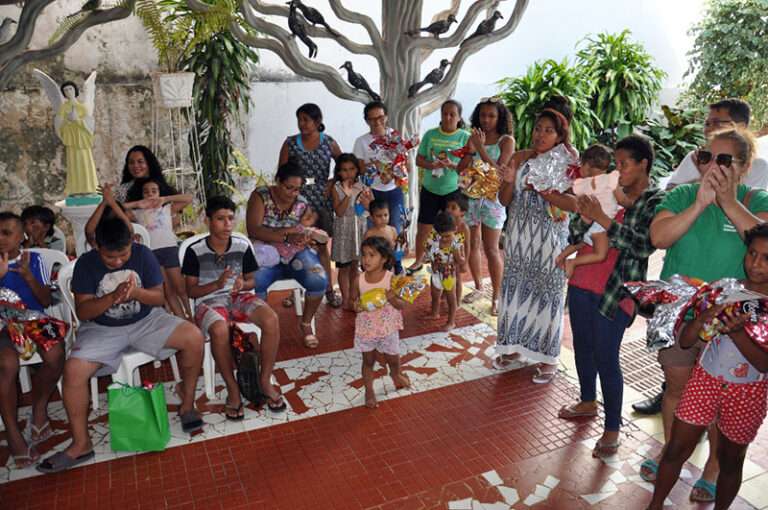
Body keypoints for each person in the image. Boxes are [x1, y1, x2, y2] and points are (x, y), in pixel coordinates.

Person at [644, 128, 768, 501]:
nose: (713, 166)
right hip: (681, 315)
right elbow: (659, 238)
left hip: (733, 322)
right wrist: (700, 203)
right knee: (678, 389)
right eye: (706, 157)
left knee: (723, 398)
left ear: (744, 167)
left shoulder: (757, 200)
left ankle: (712, 470)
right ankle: (673, 452)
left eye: (724, 160)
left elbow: (762, 241)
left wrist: (727, 201)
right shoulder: (684, 193)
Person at [37, 217, 205, 473]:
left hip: (147, 320)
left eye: (123, 256)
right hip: (101, 328)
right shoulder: (85, 264)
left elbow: (159, 297)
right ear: (97, 247)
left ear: (132, 243)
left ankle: (187, 403)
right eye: (109, 259)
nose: (117, 262)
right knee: (73, 371)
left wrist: (136, 293)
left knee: (193, 338)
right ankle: (81, 443)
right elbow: (83, 312)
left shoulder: (143, 255)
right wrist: (112, 297)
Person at [557, 135, 665, 458]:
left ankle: (612, 429)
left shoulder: (653, 201)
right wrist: (585, 216)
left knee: (606, 356)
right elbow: (576, 232)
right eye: (615, 165)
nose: (617, 171)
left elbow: (643, 244)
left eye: (623, 164)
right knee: (582, 347)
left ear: (643, 164)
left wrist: (603, 219)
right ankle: (588, 399)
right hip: (582, 280)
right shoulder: (603, 188)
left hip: (616, 292)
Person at [495, 96, 578, 383]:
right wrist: (508, 178)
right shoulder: (521, 157)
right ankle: (513, 348)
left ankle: (547, 357)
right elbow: (504, 200)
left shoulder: (569, 162)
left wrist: (545, 192)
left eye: (548, 130)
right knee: (515, 293)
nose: (540, 135)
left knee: (548, 297)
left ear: (560, 135)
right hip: (519, 240)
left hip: (550, 243)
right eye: (538, 128)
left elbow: (575, 205)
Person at [182, 196, 286, 417]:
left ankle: (265, 380)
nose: (227, 224)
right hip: (208, 301)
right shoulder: (195, 251)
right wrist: (216, 284)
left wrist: (242, 283)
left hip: (237, 297)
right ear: (207, 220)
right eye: (220, 219)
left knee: (271, 319)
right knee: (219, 329)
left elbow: (253, 281)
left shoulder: (241, 246)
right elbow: (190, 291)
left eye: (230, 218)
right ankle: (233, 389)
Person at [0, 212, 64, 468]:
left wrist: (27, 275)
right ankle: (14, 434)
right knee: (6, 365)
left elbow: (46, 301)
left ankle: (39, 409)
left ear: (21, 236)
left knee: (56, 353)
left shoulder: (34, 258)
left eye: (7, 233)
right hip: (2, 325)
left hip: (32, 317)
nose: (1, 239)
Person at [247, 161, 329, 349]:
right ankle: (262, 328)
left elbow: (303, 230)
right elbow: (253, 230)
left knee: (318, 279)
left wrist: (304, 238)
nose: (293, 193)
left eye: (297, 189)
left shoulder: (302, 203)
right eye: (288, 187)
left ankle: (306, 323)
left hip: (293, 254)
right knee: (255, 282)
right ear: (277, 181)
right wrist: (285, 237)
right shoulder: (261, 196)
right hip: (264, 252)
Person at [278, 103, 343, 308]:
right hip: (297, 201)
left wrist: (332, 181)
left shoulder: (329, 142)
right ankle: (296, 290)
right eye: (299, 119)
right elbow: (281, 173)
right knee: (297, 247)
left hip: (321, 201)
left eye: (306, 119)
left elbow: (344, 167)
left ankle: (329, 290)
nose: (302, 124)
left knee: (322, 246)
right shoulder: (290, 143)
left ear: (317, 121)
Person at [457, 97, 515, 315]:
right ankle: (479, 287)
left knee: (491, 249)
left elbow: (499, 170)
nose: (487, 120)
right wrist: (471, 150)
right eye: (483, 115)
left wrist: (480, 147)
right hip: (471, 198)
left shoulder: (506, 141)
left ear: (500, 117)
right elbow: (460, 168)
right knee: (472, 244)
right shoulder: (474, 137)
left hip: (493, 201)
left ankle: (497, 296)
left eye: (492, 115)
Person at [407, 100, 470, 274]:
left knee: (454, 228)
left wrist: (452, 165)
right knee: (424, 227)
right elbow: (419, 159)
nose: (448, 117)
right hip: (430, 189)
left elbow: (469, 164)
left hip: (453, 191)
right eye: (445, 114)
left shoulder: (465, 137)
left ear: (458, 117)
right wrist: (431, 165)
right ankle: (418, 260)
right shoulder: (430, 135)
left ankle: (455, 260)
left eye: (452, 114)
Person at [352, 236, 409, 408]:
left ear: (384, 258)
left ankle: (396, 373)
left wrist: (392, 298)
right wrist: (356, 305)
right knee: (368, 361)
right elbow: (353, 301)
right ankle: (369, 390)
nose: (366, 259)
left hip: (387, 328)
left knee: (393, 358)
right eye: (364, 255)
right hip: (367, 328)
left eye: (371, 255)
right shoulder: (359, 280)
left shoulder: (391, 279)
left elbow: (402, 304)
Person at [124, 178, 193, 319]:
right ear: (142, 195)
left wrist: (165, 199)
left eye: (154, 191)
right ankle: (182, 320)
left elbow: (189, 198)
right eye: (146, 192)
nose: (150, 195)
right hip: (152, 253)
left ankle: (191, 316)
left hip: (169, 251)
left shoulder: (167, 208)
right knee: (168, 292)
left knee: (181, 288)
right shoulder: (138, 213)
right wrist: (138, 204)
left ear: (159, 193)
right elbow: (117, 209)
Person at [665, 98, 768, 190]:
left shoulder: (757, 166)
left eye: (717, 122)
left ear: (741, 127)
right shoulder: (696, 158)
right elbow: (667, 194)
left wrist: (708, 177)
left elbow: (747, 207)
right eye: (707, 124)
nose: (709, 129)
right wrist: (702, 180)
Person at [555, 144, 615, 278]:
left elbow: (570, 190)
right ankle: (573, 262)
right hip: (601, 224)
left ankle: (562, 256)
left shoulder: (586, 183)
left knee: (582, 240)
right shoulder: (606, 180)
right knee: (600, 254)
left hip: (592, 223)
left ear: (586, 166)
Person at [353, 101, 409, 233]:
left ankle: (394, 254)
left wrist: (394, 168)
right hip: (373, 192)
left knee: (396, 229)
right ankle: (375, 254)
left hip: (394, 190)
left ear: (386, 117)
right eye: (372, 119)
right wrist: (375, 165)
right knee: (374, 230)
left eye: (380, 117)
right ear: (366, 121)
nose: (377, 122)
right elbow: (359, 169)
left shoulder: (395, 137)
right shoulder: (361, 141)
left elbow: (407, 164)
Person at [331, 153, 370, 311]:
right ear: (339, 172)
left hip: (360, 228)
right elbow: (339, 212)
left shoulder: (363, 186)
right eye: (344, 170)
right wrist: (347, 195)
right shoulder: (336, 188)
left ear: (357, 170)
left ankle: (355, 298)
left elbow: (370, 207)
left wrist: (368, 202)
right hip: (344, 230)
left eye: (352, 169)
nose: (348, 173)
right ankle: (346, 299)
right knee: (344, 266)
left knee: (356, 265)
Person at [425, 211, 466, 331]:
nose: (445, 239)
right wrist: (432, 263)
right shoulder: (433, 241)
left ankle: (451, 321)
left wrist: (458, 254)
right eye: (442, 236)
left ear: (455, 230)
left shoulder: (456, 244)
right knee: (435, 294)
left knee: (450, 297)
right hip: (436, 272)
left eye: (448, 236)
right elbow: (429, 253)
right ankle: (434, 313)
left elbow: (461, 261)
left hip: (449, 274)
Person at [84, 183, 134, 250]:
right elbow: (89, 231)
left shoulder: (126, 240)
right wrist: (107, 202)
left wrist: (109, 202)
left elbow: (130, 229)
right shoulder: (101, 242)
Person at [444, 192, 470, 304]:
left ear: (462, 212)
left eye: (453, 207)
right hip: (446, 257)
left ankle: (457, 302)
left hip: (457, 259)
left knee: (458, 279)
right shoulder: (445, 223)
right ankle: (446, 296)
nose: (449, 210)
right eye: (448, 207)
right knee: (445, 277)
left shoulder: (464, 227)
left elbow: (468, 246)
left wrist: (465, 262)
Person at [364, 199, 398, 266]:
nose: (383, 218)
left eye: (386, 215)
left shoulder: (392, 230)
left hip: (390, 265)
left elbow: (397, 248)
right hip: (374, 267)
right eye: (379, 216)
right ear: (371, 217)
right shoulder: (369, 234)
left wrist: (402, 251)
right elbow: (365, 252)